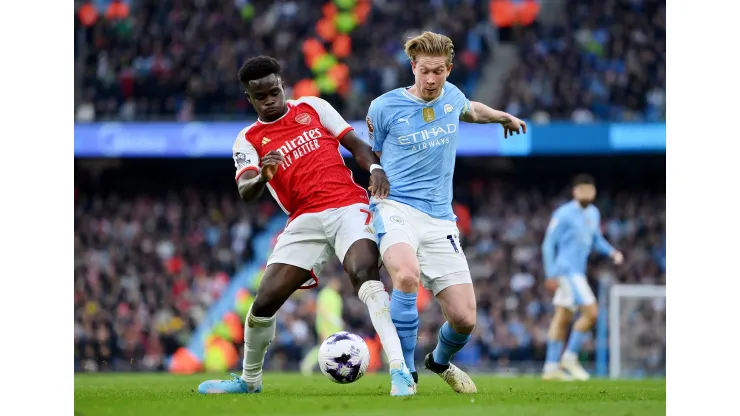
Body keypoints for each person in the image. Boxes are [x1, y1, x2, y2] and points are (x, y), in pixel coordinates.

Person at [198, 56, 415, 396]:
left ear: (282, 86)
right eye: (261, 96)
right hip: (304, 220)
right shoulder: (248, 139)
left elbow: (355, 143)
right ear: (249, 98)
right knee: (264, 302)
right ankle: (249, 381)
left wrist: (374, 169)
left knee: (365, 277)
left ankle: (400, 372)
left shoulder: (312, 107)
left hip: (348, 206)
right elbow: (245, 190)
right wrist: (263, 177)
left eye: (274, 91)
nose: (270, 99)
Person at [365, 32, 526, 393]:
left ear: (449, 70)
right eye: (425, 71)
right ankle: (405, 372)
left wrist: (502, 116)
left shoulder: (452, 96)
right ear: (413, 68)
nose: (431, 79)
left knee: (465, 319)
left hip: (440, 218)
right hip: (396, 206)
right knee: (406, 277)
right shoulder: (383, 107)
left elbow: (471, 109)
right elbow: (371, 155)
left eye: (439, 71)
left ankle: (438, 361)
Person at [541, 174, 624, 381]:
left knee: (563, 317)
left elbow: (596, 239)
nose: (587, 193)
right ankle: (569, 357)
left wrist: (612, 252)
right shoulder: (564, 213)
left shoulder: (594, 213)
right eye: (583, 189)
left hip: (578, 271)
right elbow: (548, 243)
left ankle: (551, 367)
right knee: (591, 312)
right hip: (566, 271)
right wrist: (551, 273)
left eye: (590, 189)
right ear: (575, 191)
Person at [299, 277, 344, 376]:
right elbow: (322, 309)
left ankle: (334, 368)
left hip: (334, 327)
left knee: (331, 348)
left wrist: (338, 322)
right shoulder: (326, 293)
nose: (339, 286)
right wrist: (330, 321)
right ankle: (307, 364)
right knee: (323, 347)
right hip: (326, 326)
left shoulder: (335, 295)